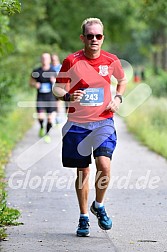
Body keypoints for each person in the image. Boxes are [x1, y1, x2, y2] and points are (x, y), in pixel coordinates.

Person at [53, 18, 127, 237]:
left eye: (98, 36)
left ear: (103, 38)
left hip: (104, 121)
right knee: (83, 171)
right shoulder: (71, 61)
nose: (94, 39)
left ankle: (99, 205)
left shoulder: (111, 60)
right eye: (90, 36)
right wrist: (68, 95)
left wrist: (118, 98)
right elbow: (57, 88)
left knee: (104, 165)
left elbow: (122, 80)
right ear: (82, 38)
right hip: (78, 124)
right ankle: (84, 216)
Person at [30, 53, 56, 143]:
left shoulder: (53, 71)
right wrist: (35, 84)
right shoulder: (37, 71)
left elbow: (60, 85)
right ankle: (41, 127)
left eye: (46, 58)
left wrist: (54, 82)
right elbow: (31, 82)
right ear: (41, 60)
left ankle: (47, 134)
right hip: (40, 97)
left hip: (51, 98)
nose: (44, 60)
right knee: (41, 117)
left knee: (50, 119)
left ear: (49, 60)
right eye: (43, 58)